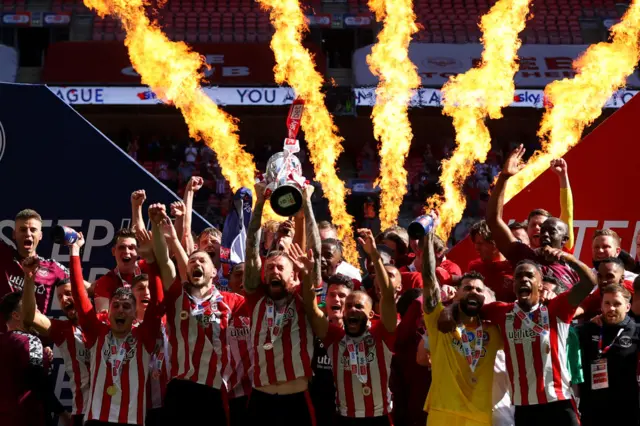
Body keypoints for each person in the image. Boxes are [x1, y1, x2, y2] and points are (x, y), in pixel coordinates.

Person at [439, 246, 597, 426]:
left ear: (540, 284)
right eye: (519, 277)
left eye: (529, 276)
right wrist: (449, 310)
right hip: (524, 408)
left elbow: (589, 282)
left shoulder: (556, 309)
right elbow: (470, 306)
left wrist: (567, 258)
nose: (524, 279)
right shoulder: (501, 312)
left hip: (558, 403)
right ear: (513, 285)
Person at [149, 203, 244, 426]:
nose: (196, 263)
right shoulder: (176, 297)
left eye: (203, 260)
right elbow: (164, 260)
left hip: (215, 391)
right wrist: (155, 225)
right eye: (192, 260)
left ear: (214, 272)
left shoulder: (232, 302)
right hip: (179, 390)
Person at [297, 227, 396, 426]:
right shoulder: (334, 337)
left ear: (370, 314)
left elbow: (387, 296)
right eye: (348, 306)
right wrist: (307, 276)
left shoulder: (382, 332)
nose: (351, 309)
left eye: (358, 306)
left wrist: (374, 255)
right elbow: (311, 308)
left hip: (380, 418)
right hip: (343, 418)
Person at [68, 232, 162, 426]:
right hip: (96, 419)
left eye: (126, 306)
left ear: (134, 312)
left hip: (132, 421)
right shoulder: (97, 333)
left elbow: (158, 303)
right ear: (108, 312)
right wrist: (74, 251)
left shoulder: (145, 336)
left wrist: (151, 261)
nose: (120, 310)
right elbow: (79, 297)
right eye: (116, 306)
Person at [242, 182, 316, 426]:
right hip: (260, 398)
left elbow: (312, 252)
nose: (273, 270)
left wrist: (306, 203)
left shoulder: (303, 297)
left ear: (294, 275)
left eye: (280, 268)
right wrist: (260, 202)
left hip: (296, 399)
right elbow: (251, 245)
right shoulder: (256, 298)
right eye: (270, 267)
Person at [422, 227, 503, 426]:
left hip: (479, 417)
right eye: (467, 288)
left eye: (478, 289)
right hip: (443, 413)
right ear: (456, 294)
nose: (473, 292)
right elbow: (429, 280)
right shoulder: (440, 322)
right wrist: (428, 239)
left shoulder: (494, 332)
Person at [487, 145, 579, 289]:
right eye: (537, 227)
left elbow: (567, 212)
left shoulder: (570, 264)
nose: (542, 232)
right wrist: (504, 177)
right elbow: (493, 219)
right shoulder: (523, 255)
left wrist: (563, 177)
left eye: (549, 229)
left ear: (564, 239)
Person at [21, 256, 90, 426]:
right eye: (59, 297)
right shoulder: (63, 330)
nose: (64, 300)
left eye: (69, 294)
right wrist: (29, 279)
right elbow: (29, 318)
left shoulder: (104, 321)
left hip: (114, 410)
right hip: (82, 412)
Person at [577, 284, 639, 426]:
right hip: (592, 409)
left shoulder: (636, 331)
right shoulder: (588, 329)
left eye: (617, 304)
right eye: (607, 303)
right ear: (601, 305)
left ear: (628, 307)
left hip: (626, 410)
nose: (611, 308)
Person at [0, 209, 70, 316]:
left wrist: (75, 249)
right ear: (14, 234)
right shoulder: (4, 254)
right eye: (23, 230)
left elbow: (83, 287)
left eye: (33, 230)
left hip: (36, 331)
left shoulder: (53, 268)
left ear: (40, 235)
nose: (28, 234)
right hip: (4, 331)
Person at [0, 291, 50, 426]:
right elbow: (40, 381)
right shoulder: (30, 341)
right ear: (16, 315)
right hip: (26, 418)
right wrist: (61, 411)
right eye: (32, 308)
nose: (38, 312)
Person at [310, 274, 354, 426]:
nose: (336, 299)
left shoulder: (360, 334)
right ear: (325, 299)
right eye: (332, 294)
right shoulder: (312, 329)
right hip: (317, 408)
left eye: (342, 296)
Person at [93, 228, 148, 313]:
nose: (126, 251)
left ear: (138, 252)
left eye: (131, 248)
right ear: (113, 251)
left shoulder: (149, 267)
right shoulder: (104, 282)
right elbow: (103, 319)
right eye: (122, 247)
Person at [468, 220, 515, 302]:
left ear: (495, 243)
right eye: (475, 243)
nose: (476, 248)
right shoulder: (475, 268)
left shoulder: (514, 268)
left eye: (480, 243)